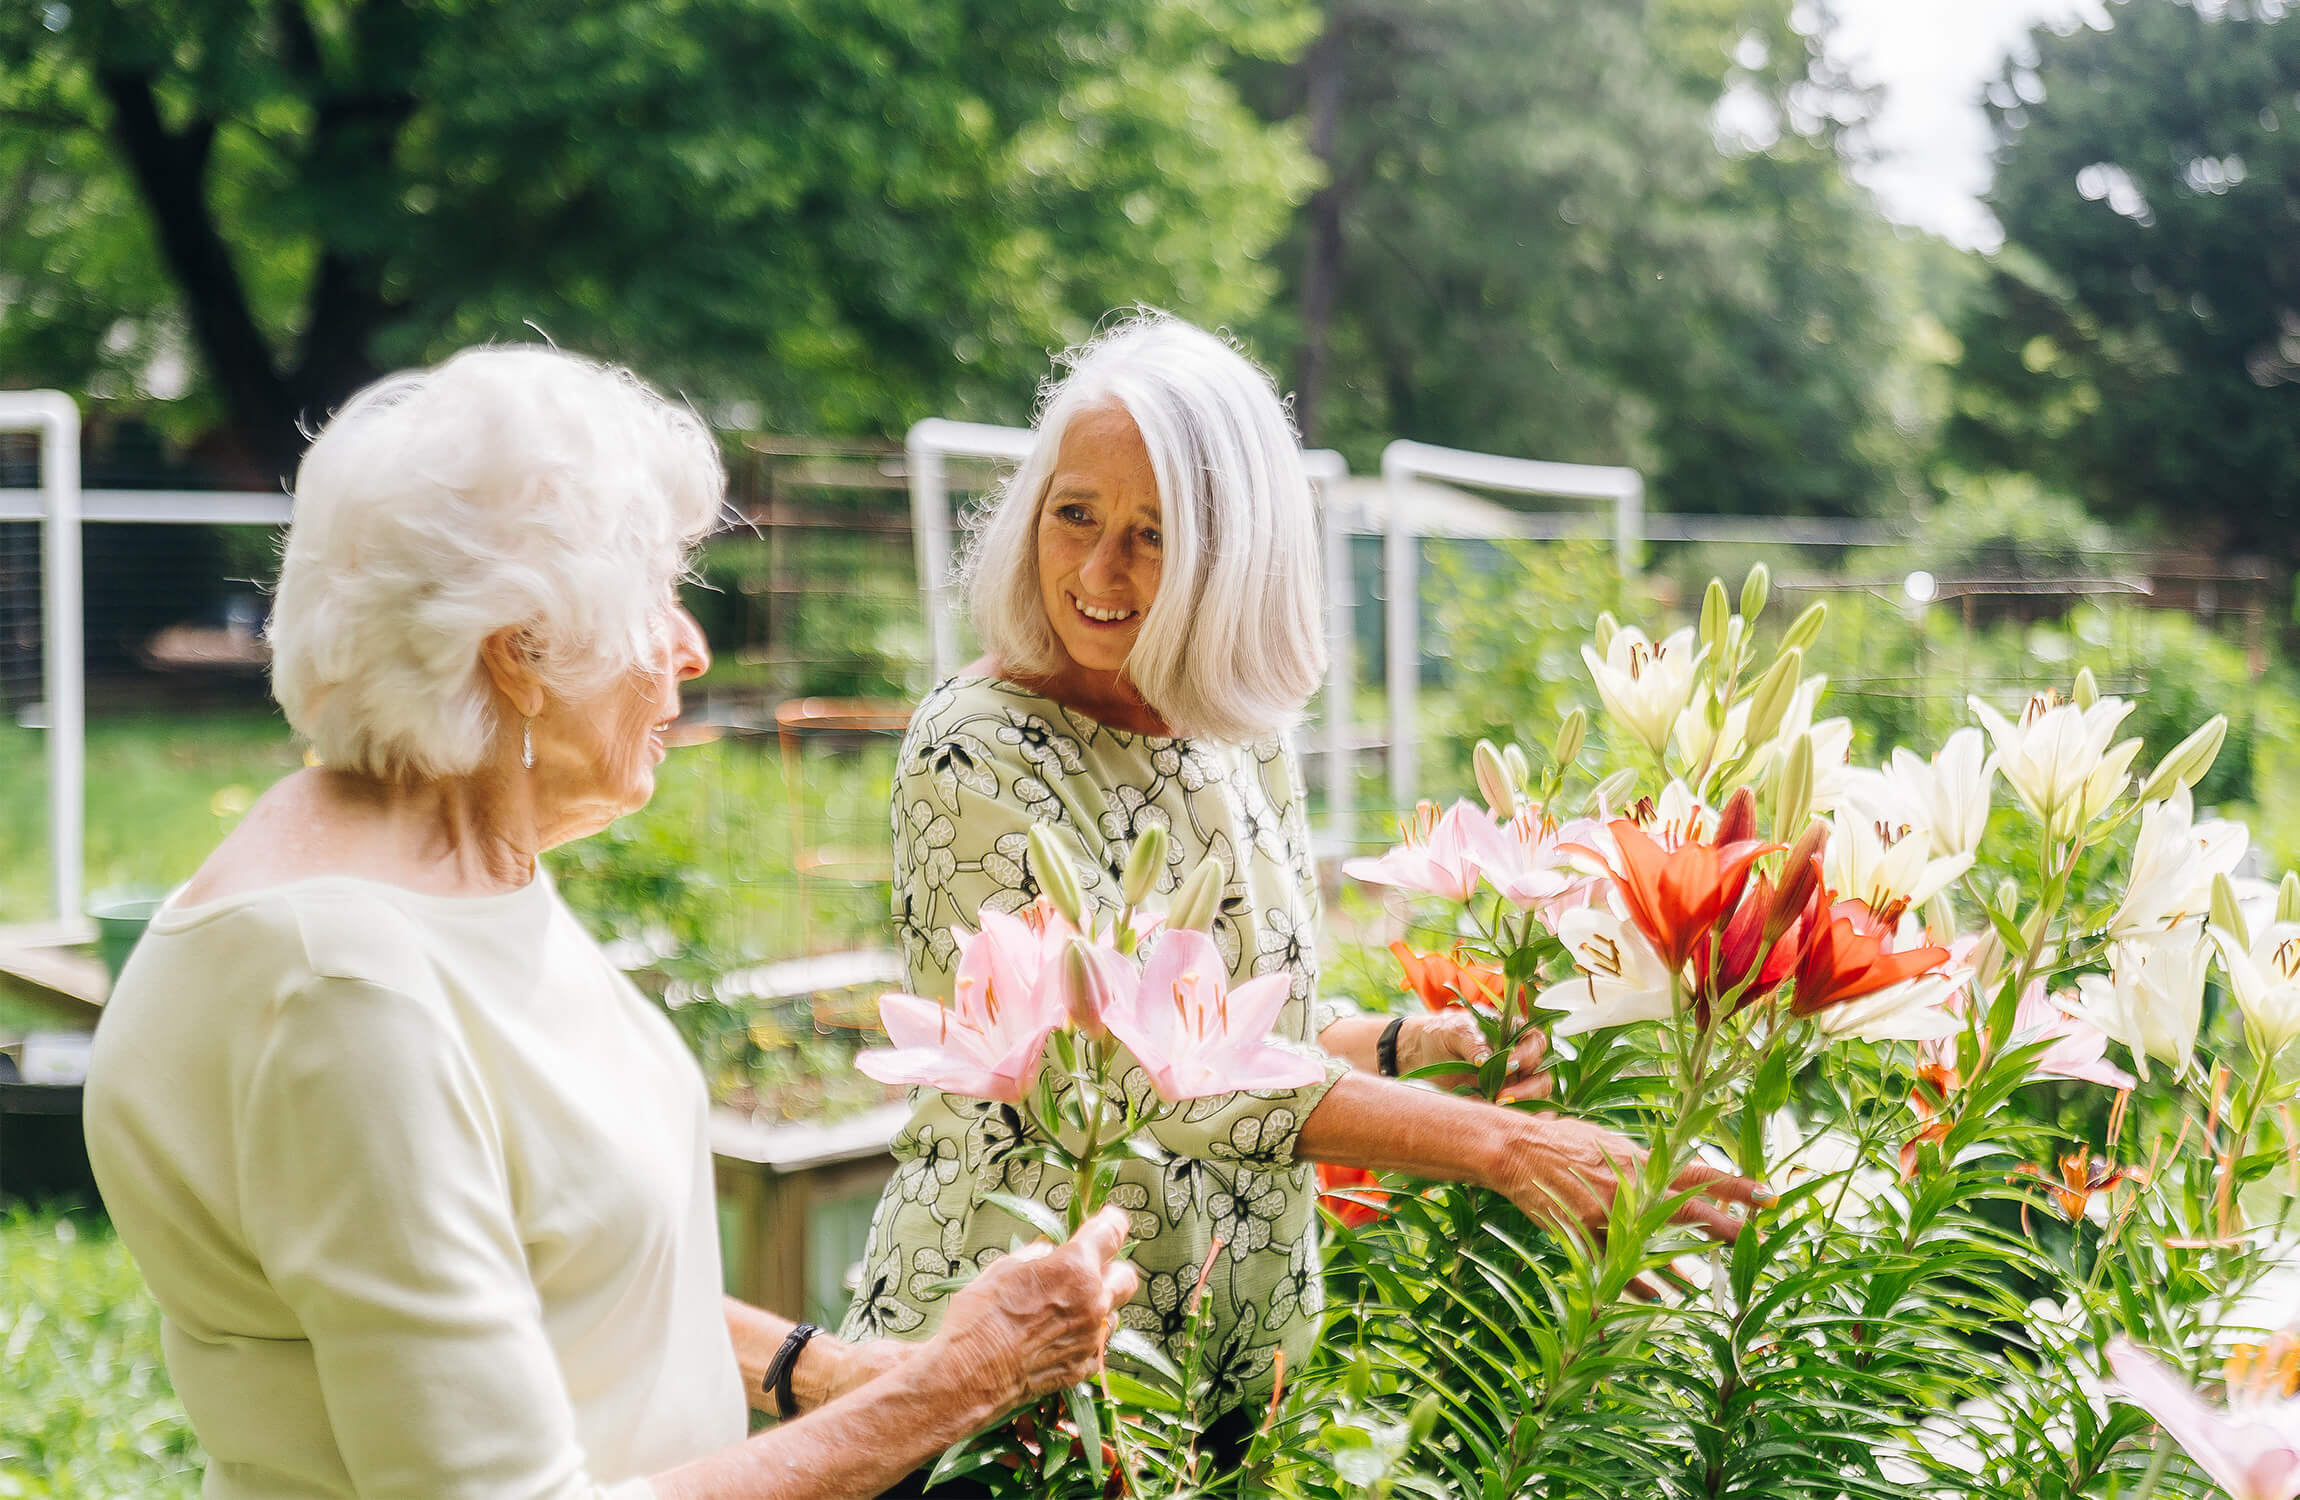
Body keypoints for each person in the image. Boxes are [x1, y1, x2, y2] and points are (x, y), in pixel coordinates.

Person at [82, 347, 1137, 1500]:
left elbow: (548, 1250)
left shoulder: (442, 870)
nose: (689, 646)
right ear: (520, 655)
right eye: (657, 598)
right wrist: (954, 1386)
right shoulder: (344, 991)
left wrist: (816, 1370)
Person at [844, 311, 1762, 1457]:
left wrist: (1401, 1047)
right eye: (1072, 514)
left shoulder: (1236, 730)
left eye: (1153, 533)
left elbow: (1244, 1029)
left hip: (1221, 1382)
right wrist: (1494, 1145)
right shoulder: (974, 746)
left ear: (1235, 556)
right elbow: (1130, 1077)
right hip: (1016, 1385)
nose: (1097, 571)